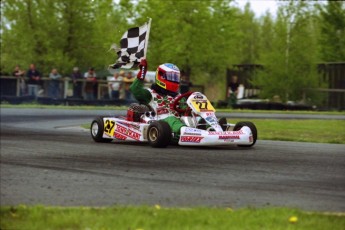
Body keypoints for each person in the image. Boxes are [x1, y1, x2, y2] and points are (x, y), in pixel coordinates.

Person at [130, 59, 186, 140]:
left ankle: (208, 128)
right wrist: (142, 72)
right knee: (171, 119)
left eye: (175, 77)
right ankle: (185, 132)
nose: (174, 80)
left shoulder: (179, 96)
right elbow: (135, 90)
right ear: (161, 76)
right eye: (171, 77)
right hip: (161, 122)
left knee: (197, 117)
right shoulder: (150, 94)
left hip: (180, 121)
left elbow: (185, 110)